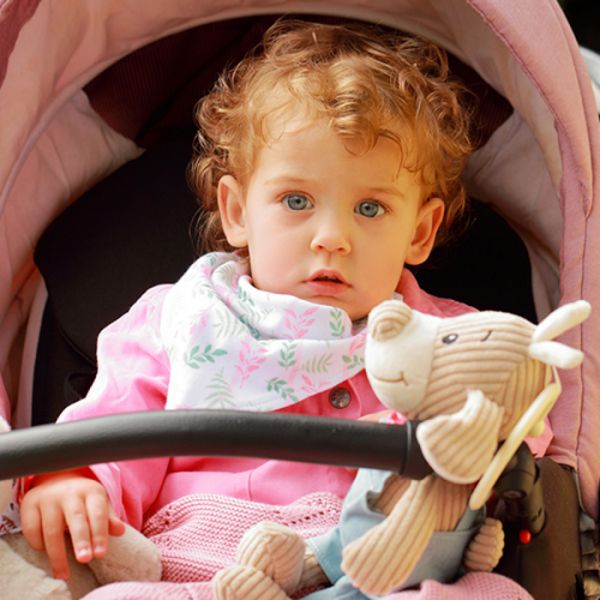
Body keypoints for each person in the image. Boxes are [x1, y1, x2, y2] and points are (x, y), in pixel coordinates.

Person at [19, 18, 511, 586]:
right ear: (236, 212)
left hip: (378, 565)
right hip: (202, 564)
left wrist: (459, 441)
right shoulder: (180, 320)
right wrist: (76, 480)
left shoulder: (456, 341)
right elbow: (113, 426)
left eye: (370, 209)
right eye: (296, 200)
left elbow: (523, 426)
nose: (332, 237)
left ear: (420, 232)